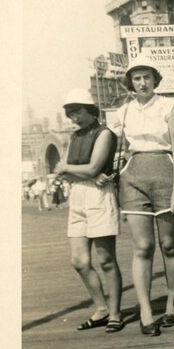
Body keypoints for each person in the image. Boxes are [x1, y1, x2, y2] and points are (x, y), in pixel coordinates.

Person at [113, 60, 174, 337]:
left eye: (146, 77)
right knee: (143, 246)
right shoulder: (123, 111)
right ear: (130, 82)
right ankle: (145, 311)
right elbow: (117, 148)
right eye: (136, 78)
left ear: (155, 80)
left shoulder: (169, 106)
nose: (142, 83)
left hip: (166, 173)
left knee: (169, 245)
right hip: (134, 177)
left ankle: (171, 304)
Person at [55, 89, 124, 333]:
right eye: (71, 114)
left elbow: (94, 166)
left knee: (106, 260)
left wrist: (77, 170)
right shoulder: (74, 137)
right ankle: (101, 308)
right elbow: (63, 170)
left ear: (91, 109)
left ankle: (115, 313)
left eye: (79, 112)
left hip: (99, 197)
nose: (75, 118)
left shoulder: (104, 133)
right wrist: (85, 173)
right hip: (78, 195)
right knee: (79, 260)